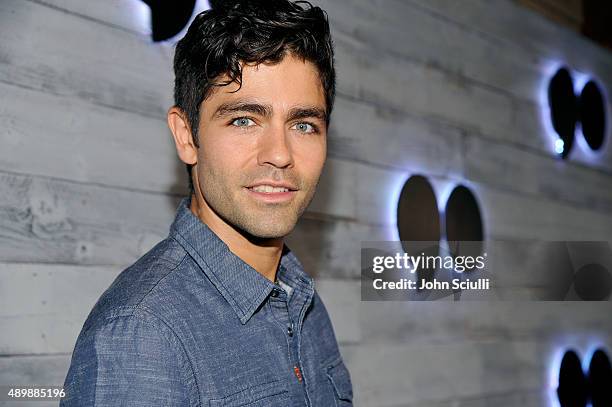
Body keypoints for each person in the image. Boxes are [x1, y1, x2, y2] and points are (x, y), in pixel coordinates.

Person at [60, 0, 353, 405]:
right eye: (244, 120)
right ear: (186, 136)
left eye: (303, 125)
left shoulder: (301, 301)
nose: (280, 154)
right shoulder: (142, 331)